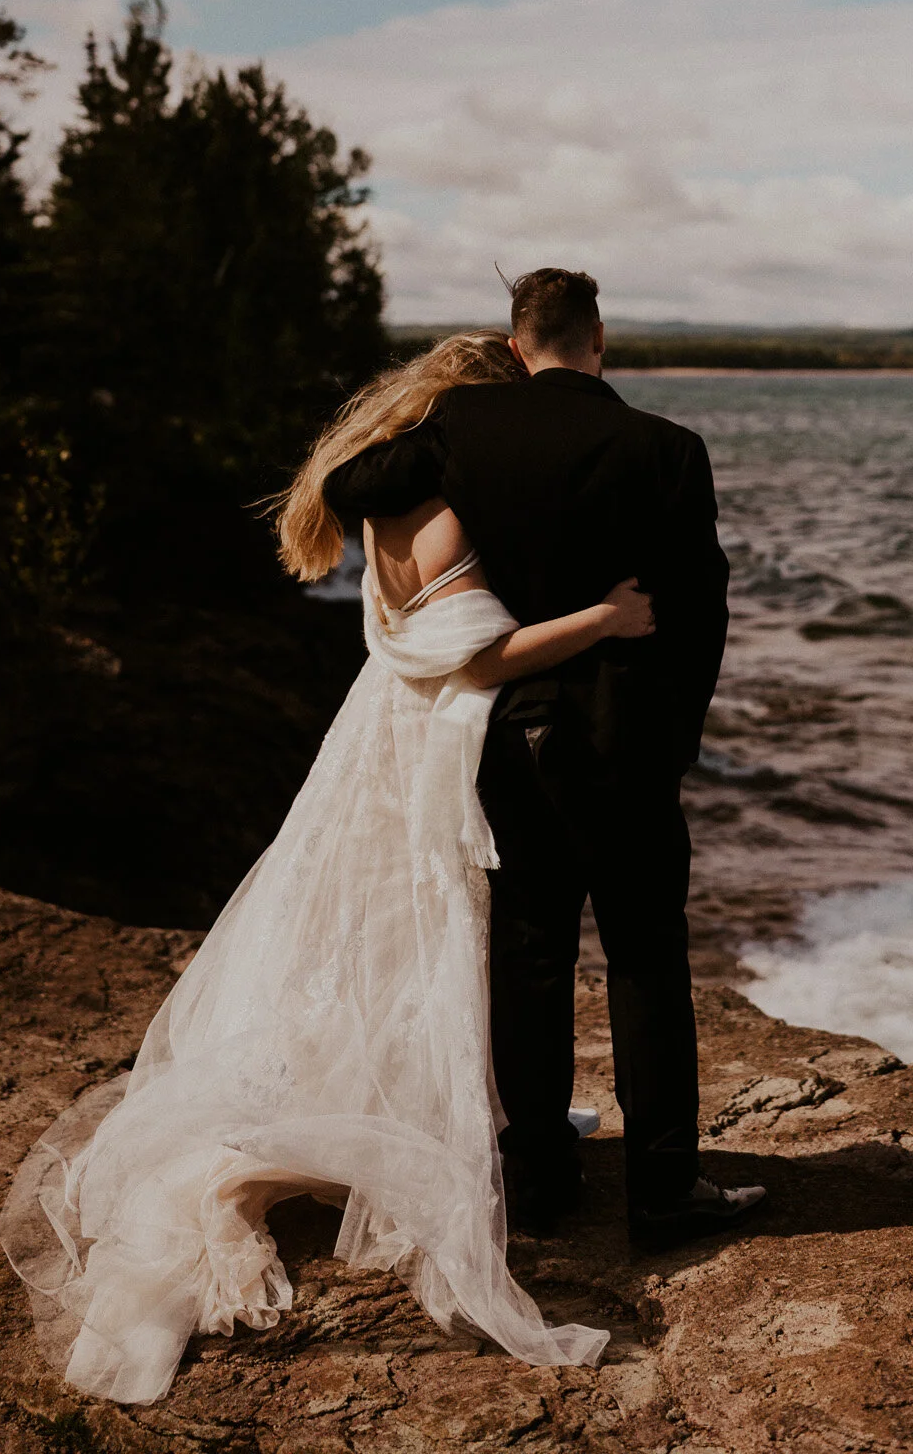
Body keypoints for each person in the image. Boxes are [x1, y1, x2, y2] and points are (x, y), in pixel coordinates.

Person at [0, 331, 658, 1403]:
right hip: (432, 743)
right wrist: (605, 618)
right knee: (445, 937)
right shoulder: (451, 502)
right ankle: (388, 1129)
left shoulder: (383, 495)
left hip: (377, 732)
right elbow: (476, 654)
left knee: (386, 944)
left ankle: (470, 1098)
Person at [324, 268, 760, 1251]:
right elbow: (700, 612)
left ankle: (538, 1181)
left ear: (520, 346)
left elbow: (349, 485)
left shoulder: (465, 430)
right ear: (598, 338)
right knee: (645, 958)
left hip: (508, 733)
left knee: (529, 953)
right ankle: (662, 1190)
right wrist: (672, 738)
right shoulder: (667, 449)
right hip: (624, 741)